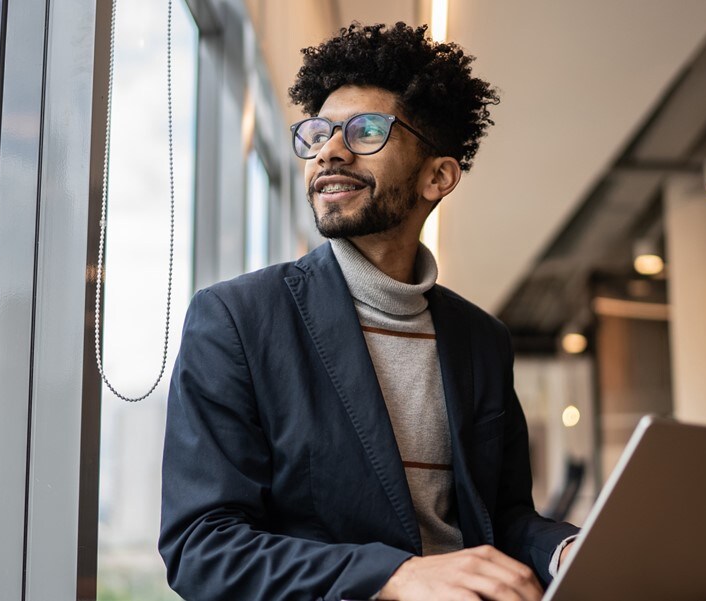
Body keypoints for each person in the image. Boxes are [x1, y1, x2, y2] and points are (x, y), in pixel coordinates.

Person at [159, 22, 579, 601]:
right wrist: (392, 576)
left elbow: (500, 517)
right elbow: (203, 548)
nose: (329, 150)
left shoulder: (482, 339)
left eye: (366, 131)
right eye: (317, 133)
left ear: (439, 176)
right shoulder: (236, 319)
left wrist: (563, 548)